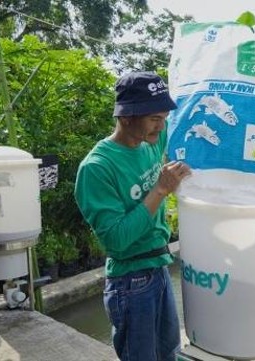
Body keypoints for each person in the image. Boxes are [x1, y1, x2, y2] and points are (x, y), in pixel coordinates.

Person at [74, 71, 191, 361]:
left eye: (164, 118)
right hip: (131, 282)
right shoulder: (97, 168)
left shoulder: (150, 139)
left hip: (159, 268)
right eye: (154, 119)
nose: (162, 127)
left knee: (170, 355)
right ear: (126, 117)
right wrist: (161, 189)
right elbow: (116, 240)